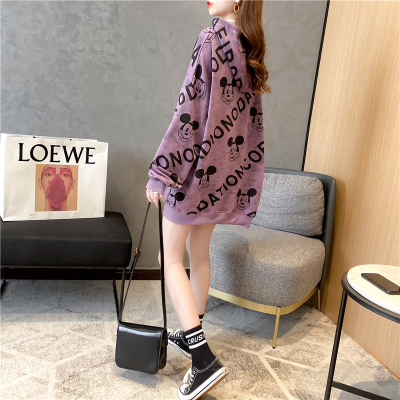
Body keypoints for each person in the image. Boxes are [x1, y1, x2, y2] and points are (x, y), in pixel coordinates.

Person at [145, 1, 270, 399]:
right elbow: (250, 127)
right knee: (199, 254)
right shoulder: (247, 48)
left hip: (193, 173)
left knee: (169, 259)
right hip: (222, 176)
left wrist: (162, 171)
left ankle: (202, 360)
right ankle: (191, 332)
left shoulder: (211, 38)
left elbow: (189, 111)